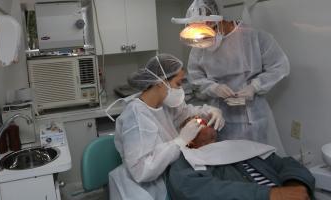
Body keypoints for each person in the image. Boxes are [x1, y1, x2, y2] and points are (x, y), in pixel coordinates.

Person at [108, 54, 225, 200]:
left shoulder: (165, 104)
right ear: (160, 82)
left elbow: (187, 111)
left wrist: (210, 111)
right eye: (178, 83)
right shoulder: (136, 117)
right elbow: (141, 170)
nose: (181, 89)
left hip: (170, 173)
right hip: (148, 188)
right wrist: (179, 142)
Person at [187, 0, 290, 143]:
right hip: (220, 116)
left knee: (258, 160)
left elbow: (279, 66)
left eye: (209, 30)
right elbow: (195, 76)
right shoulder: (201, 44)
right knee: (227, 160)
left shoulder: (254, 38)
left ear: (218, 20)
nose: (207, 36)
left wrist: (255, 87)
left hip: (253, 116)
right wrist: (213, 88)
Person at [167, 116, 315, 200]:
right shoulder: (185, 163)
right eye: (199, 121)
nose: (207, 120)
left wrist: (295, 185)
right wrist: (270, 195)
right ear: (188, 136)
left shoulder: (239, 147)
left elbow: (285, 164)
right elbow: (203, 192)